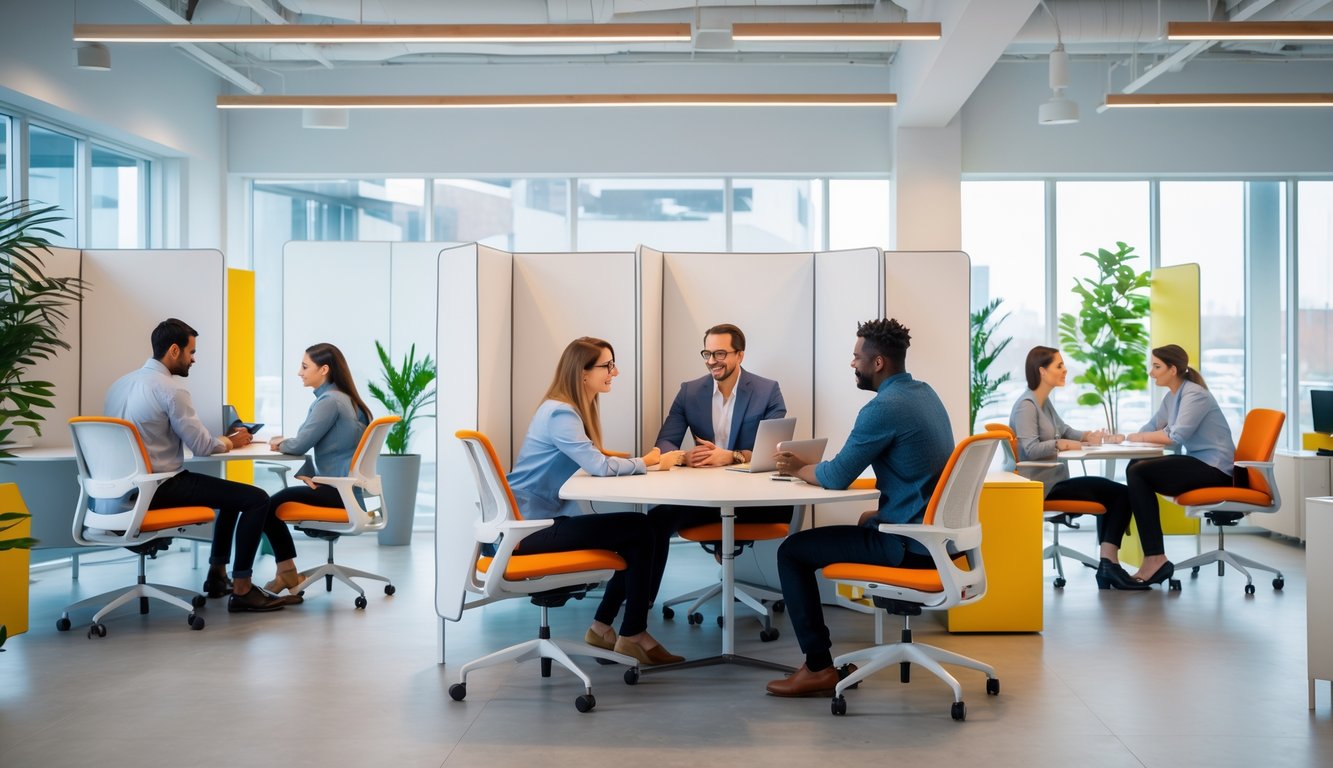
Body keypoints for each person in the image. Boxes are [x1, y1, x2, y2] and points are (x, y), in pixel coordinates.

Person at [764, 318, 953, 697]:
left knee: (792, 552)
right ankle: (822, 662)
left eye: (856, 357)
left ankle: (818, 667)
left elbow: (836, 476)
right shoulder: (924, 393)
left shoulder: (884, 408)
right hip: (939, 542)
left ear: (878, 363)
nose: (853, 364)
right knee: (868, 519)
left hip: (910, 547)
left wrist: (799, 468)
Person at [505, 337, 685, 666]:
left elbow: (593, 457)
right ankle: (631, 635)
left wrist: (641, 461)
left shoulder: (567, 409)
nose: (614, 372)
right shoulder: (561, 412)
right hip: (529, 532)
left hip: (533, 524)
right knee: (642, 528)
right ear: (583, 373)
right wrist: (647, 461)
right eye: (607, 365)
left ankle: (607, 630)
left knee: (639, 533)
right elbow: (599, 466)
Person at [104, 318, 287, 613]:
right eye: (191, 352)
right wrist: (232, 441)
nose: (194, 359)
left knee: (233, 497)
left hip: (119, 492)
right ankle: (242, 589)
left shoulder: (119, 386)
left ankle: (218, 576)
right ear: (174, 351)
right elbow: (203, 447)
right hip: (159, 488)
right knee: (256, 499)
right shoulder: (170, 390)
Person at [648, 323, 792, 596]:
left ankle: (722, 546)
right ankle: (640, 609)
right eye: (707, 353)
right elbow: (665, 442)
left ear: (740, 355)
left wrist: (732, 456)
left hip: (754, 500)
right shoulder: (689, 391)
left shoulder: (767, 390)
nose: (712, 361)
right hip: (705, 497)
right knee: (655, 521)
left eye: (720, 354)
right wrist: (683, 456)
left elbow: (774, 450)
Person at [1009, 346, 1147, 591]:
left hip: (1055, 481)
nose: (1065, 370)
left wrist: (1090, 436)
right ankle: (1109, 566)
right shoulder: (1027, 406)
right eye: (1059, 366)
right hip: (1043, 487)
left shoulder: (1043, 402)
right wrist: (1060, 444)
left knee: (1119, 493)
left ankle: (1108, 565)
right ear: (1042, 371)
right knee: (1120, 494)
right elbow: (1028, 449)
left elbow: (1065, 430)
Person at [259, 343, 372, 597]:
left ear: (324, 370)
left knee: (265, 506)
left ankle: (286, 571)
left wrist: (279, 443)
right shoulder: (350, 401)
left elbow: (300, 444)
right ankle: (286, 573)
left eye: (304, 366)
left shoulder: (329, 401)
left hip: (337, 494)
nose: (299, 372)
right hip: (350, 493)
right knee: (270, 504)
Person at [1121, 344, 1236, 586]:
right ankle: (1153, 556)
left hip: (1216, 470)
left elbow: (1174, 437)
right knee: (1136, 466)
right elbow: (1152, 428)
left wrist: (1140, 437)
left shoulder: (1194, 394)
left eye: (1156, 367)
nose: (1151, 372)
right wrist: (1126, 437)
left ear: (1172, 369)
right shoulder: (1173, 396)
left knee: (1138, 471)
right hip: (1199, 463)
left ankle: (1155, 557)